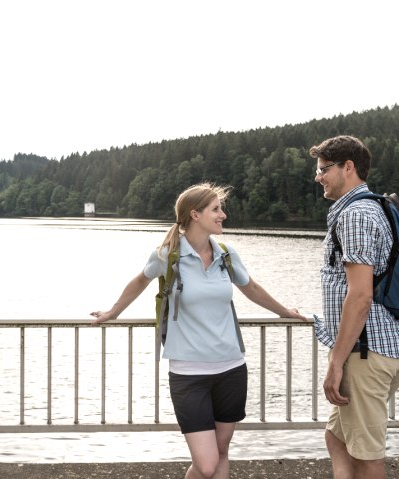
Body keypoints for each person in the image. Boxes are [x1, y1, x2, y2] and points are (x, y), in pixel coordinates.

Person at [90, 182, 306, 479]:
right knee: (206, 463)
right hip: (189, 374)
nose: (223, 215)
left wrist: (285, 312)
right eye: (216, 209)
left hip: (231, 368)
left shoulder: (226, 255)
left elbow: (251, 288)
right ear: (195, 214)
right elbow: (140, 280)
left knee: (221, 454)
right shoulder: (169, 255)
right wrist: (114, 310)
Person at [310, 135, 399, 479]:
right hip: (375, 346)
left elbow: (360, 296)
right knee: (337, 438)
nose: (318, 176)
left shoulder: (357, 215)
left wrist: (336, 362)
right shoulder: (371, 208)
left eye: (323, 169)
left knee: (366, 458)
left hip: (366, 352)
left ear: (348, 167)